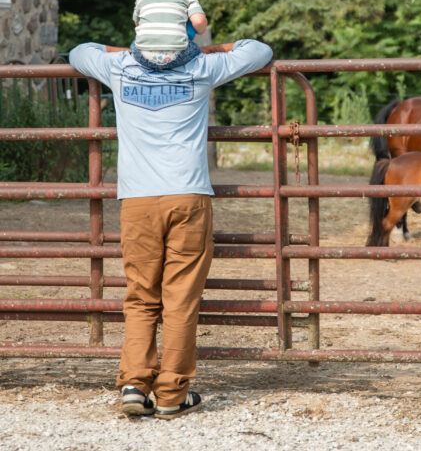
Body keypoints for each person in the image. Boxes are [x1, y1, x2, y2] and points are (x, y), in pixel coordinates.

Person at [69, 35, 273, 419]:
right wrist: (217, 47)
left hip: (139, 199)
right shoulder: (202, 68)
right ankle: (172, 394)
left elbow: (80, 51)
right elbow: (260, 51)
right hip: (188, 195)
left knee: (141, 295)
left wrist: (123, 51)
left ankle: (134, 384)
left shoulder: (119, 67)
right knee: (180, 299)